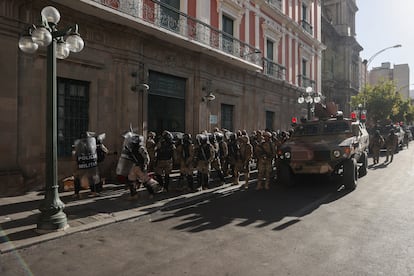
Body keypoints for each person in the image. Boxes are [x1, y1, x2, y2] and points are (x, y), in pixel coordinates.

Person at [116, 130, 158, 200]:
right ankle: (134, 195)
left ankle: (152, 193)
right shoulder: (129, 148)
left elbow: (146, 157)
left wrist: (145, 166)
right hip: (133, 166)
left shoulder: (140, 147)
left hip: (139, 166)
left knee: (145, 181)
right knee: (131, 181)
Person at [73, 131, 100, 199]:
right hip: (85, 164)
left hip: (84, 164)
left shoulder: (88, 144)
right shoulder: (82, 145)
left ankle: (77, 193)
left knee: (80, 178)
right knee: (85, 178)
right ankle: (91, 192)